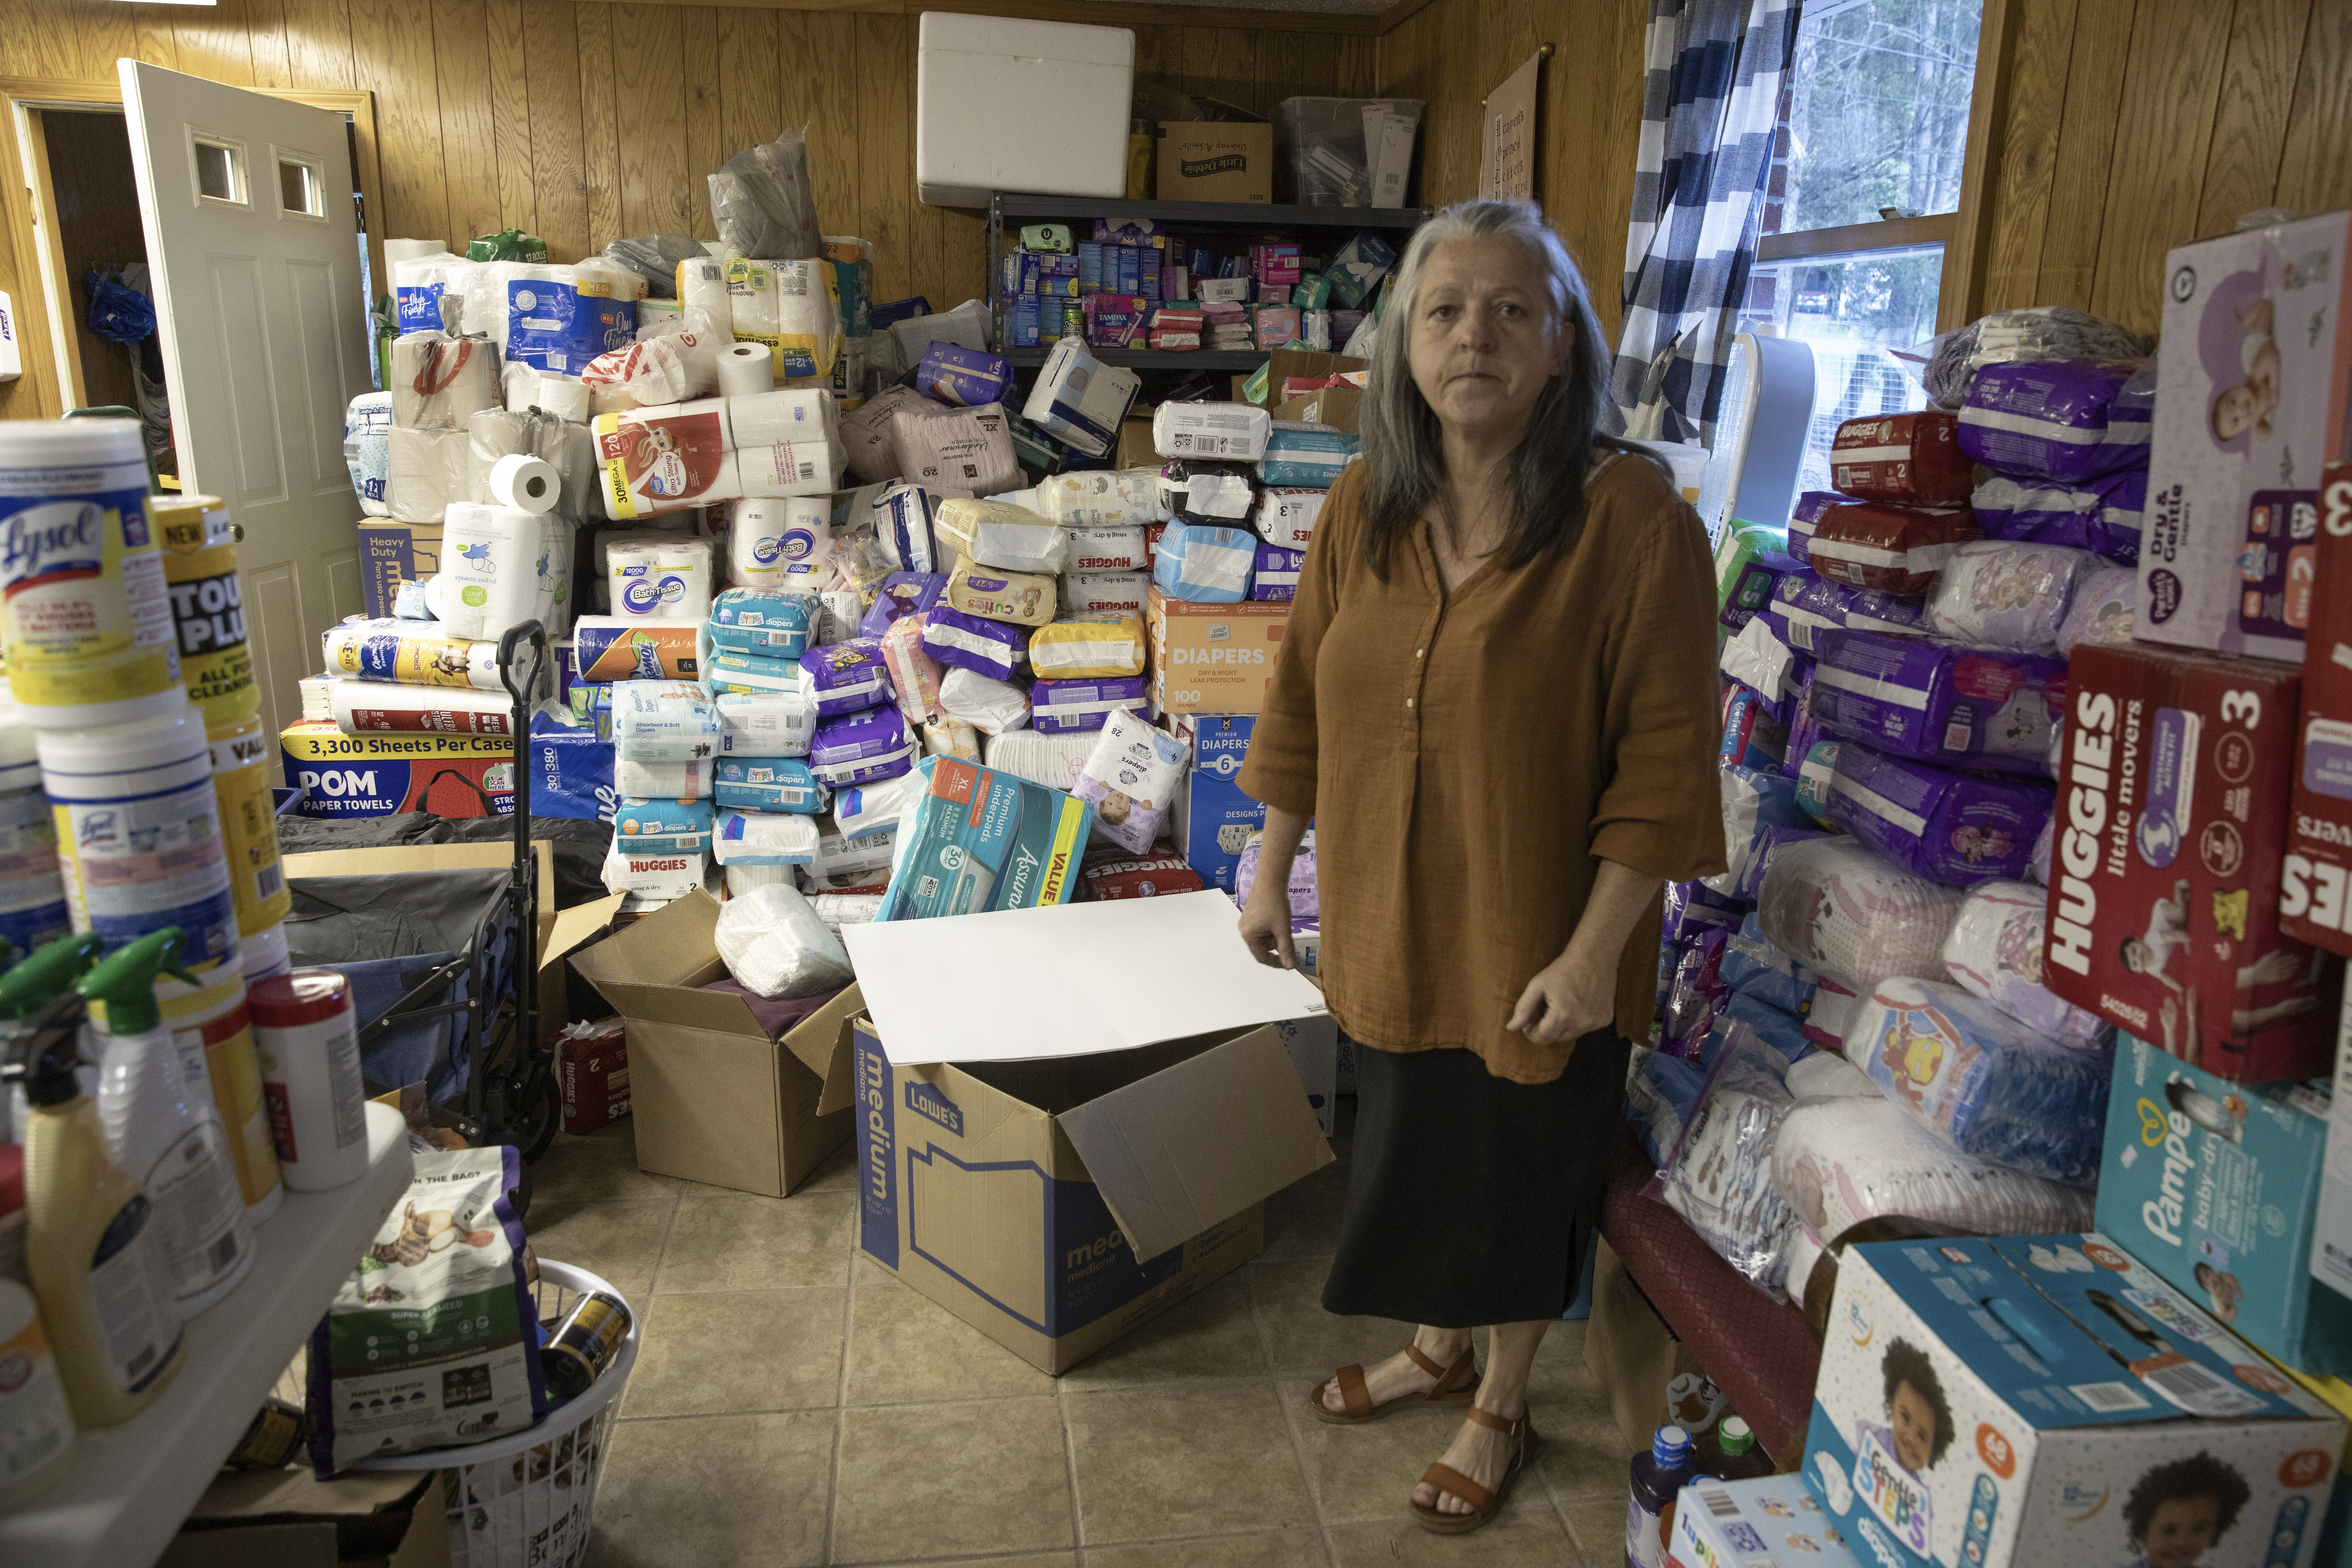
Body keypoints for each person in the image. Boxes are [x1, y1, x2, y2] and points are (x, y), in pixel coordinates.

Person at [1234, 199, 1724, 1534]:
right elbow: (1299, 700)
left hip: (1537, 941)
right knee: (1413, 1150)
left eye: (1516, 310)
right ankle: (1437, 1345)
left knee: (1515, 1172)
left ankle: (1500, 1397)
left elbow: (1670, 770)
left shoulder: (1634, 522)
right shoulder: (1366, 506)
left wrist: (1587, 952)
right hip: (1389, 921)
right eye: (1445, 311)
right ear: (1403, 348)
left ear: (1564, 347)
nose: (1477, 337)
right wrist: (1269, 865)